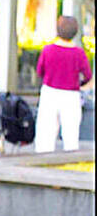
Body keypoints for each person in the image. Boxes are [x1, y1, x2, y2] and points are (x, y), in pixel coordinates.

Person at [34, 16, 93, 153]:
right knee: (71, 132)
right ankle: (70, 162)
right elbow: (88, 75)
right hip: (71, 94)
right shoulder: (78, 53)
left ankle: (42, 160)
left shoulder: (48, 50)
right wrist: (79, 83)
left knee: (46, 131)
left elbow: (39, 71)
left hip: (50, 91)